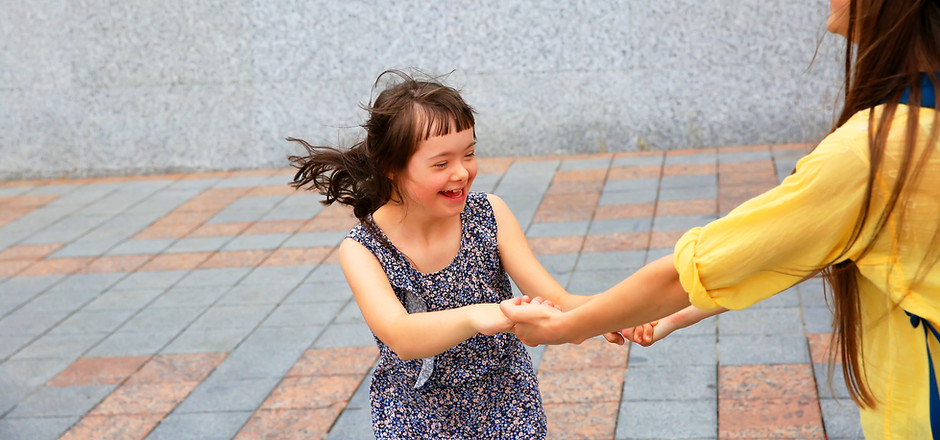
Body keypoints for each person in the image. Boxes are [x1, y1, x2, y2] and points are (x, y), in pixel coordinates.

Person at [501, 0, 940, 438]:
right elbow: (800, 246)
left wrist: (566, 328)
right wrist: (673, 315)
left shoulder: (874, 152)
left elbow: (692, 271)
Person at [287, 70, 609, 438]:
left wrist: (622, 313)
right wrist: (482, 315)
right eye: (441, 164)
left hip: (506, 402)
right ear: (390, 167)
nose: (462, 173)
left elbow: (560, 301)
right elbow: (402, 336)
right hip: (416, 417)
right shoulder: (363, 248)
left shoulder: (489, 214)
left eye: (469, 154)